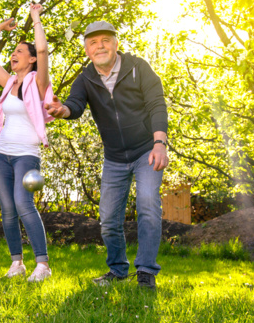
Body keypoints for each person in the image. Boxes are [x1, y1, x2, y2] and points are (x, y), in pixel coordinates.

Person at [45, 21, 169, 289]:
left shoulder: (138, 68)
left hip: (146, 150)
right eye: (93, 42)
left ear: (115, 43)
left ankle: (146, 271)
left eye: (105, 40)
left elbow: (157, 103)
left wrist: (160, 142)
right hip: (114, 157)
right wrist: (61, 109)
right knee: (109, 220)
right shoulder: (85, 78)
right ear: (87, 50)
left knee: (148, 204)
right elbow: (75, 105)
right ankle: (118, 269)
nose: (99, 46)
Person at [0, 4, 54, 282]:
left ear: (32, 60)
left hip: (27, 153)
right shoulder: (8, 82)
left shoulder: (38, 82)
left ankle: (43, 265)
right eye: (13, 52)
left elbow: (45, 51)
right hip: (1, 153)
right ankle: (17, 263)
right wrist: (0, 28)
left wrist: (35, 18)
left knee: (24, 203)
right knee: (8, 209)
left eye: (20, 51)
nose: (14, 54)